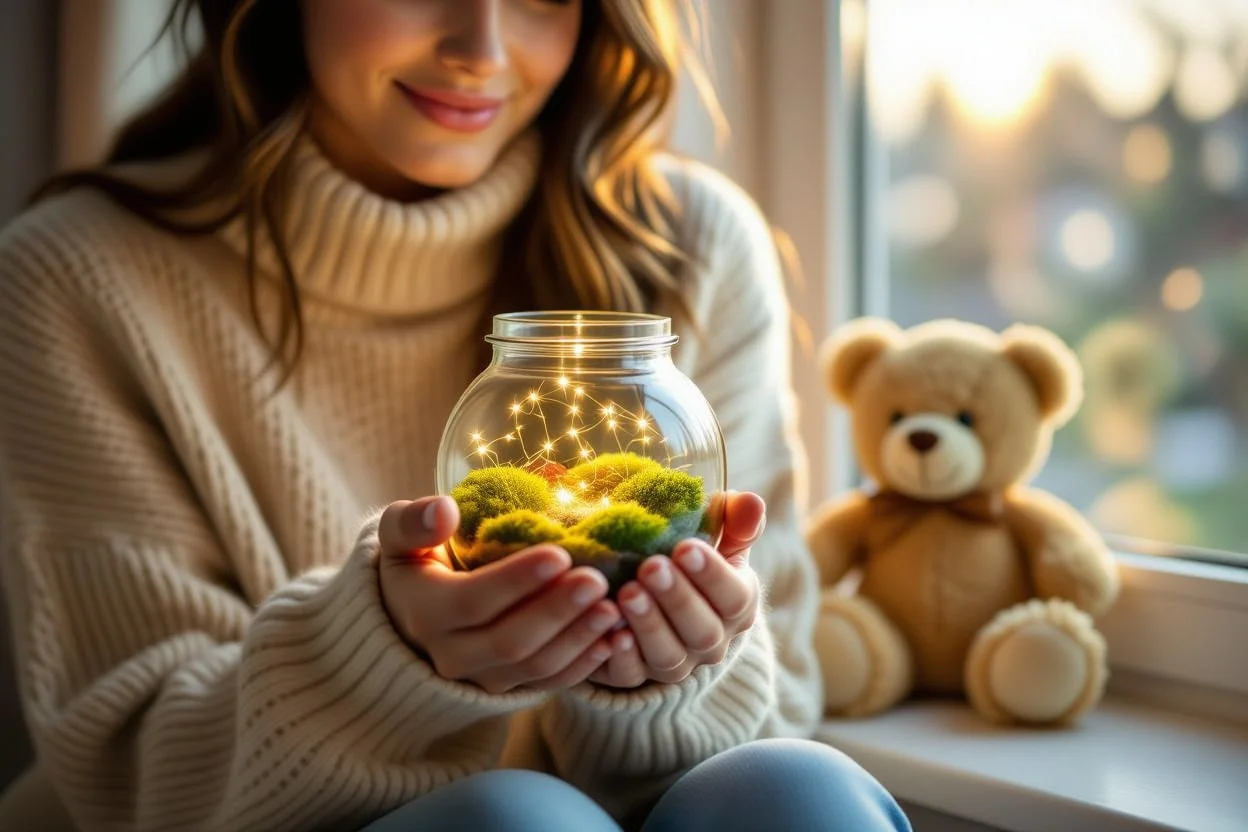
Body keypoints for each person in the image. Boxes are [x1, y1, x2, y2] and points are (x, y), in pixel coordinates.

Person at [0, 1, 912, 830]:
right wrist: (381, 655)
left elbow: (781, 703)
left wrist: (670, 677)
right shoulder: (77, 280)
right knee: (512, 824)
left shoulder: (693, 249)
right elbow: (128, 782)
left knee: (797, 794)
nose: (480, 49)